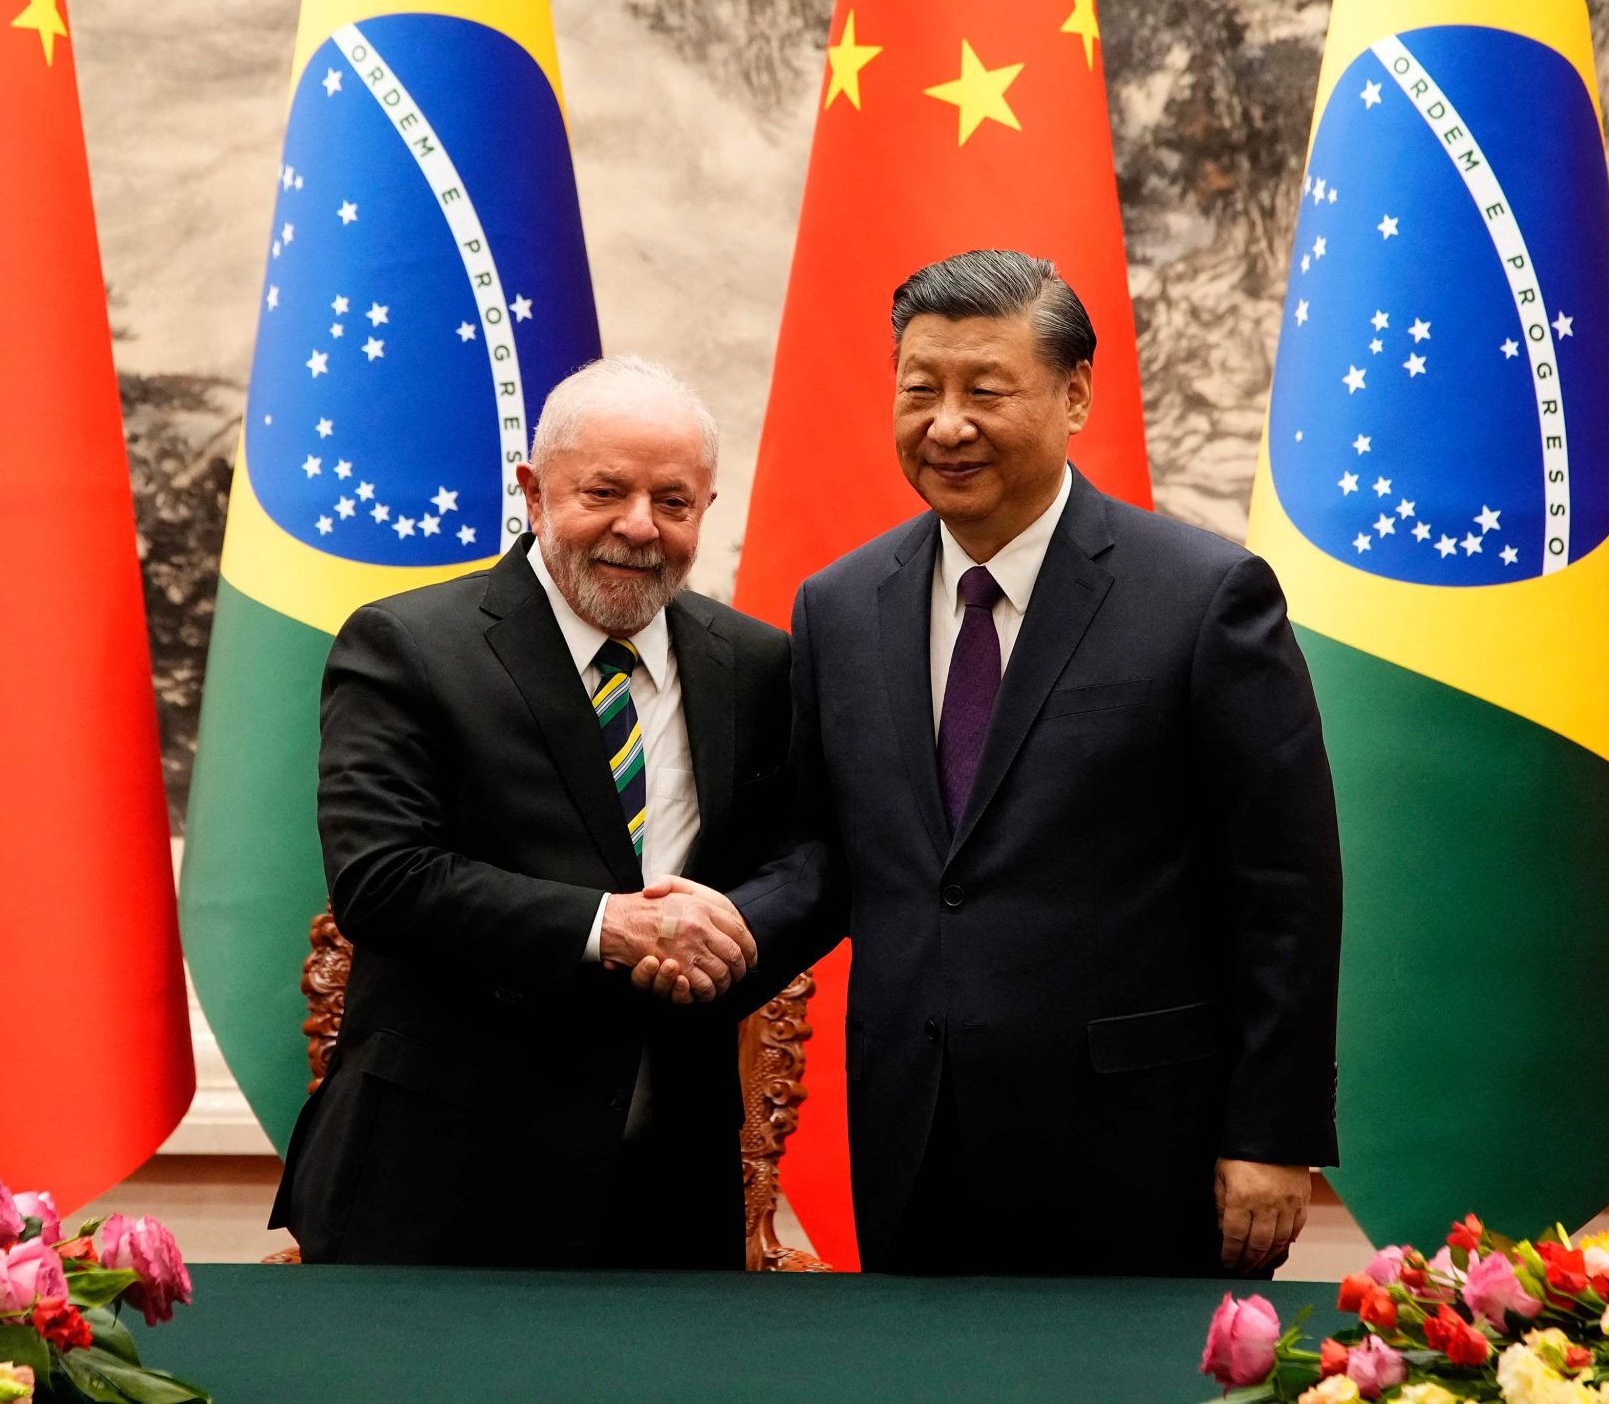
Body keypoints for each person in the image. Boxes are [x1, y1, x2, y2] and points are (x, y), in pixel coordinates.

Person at [711, 248, 1344, 1277]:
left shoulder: (1202, 595)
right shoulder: (840, 603)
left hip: (1139, 1142)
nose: (945, 423)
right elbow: (830, 849)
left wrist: (1271, 1131)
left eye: (983, 390)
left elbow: (1284, 884)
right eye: (920, 389)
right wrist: (715, 932)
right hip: (912, 1129)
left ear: (1076, 392)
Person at [273, 357, 787, 1268]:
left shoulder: (757, 663)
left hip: (667, 1193)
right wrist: (608, 927)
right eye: (605, 491)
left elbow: (805, 858)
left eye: (673, 502)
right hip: (441, 1185)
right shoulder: (408, 646)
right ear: (534, 491)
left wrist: (730, 937)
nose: (639, 526)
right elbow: (380, 878)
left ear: (707, 510)